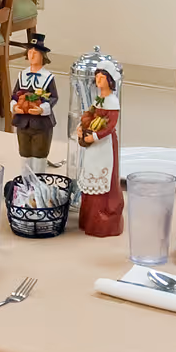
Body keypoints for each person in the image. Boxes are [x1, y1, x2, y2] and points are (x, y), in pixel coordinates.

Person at [74, 58, 123, 237]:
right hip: (92, 147)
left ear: (109, 80)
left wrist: (94, 136)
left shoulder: (112, 101)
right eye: (97, 77)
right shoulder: (99, 99)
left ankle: (103, 216)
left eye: (102, 77)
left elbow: (110, 126)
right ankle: (88, 217)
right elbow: (89, 113)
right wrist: (81, 126)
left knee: (102, 176)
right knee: (90, 171)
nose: (98, 80)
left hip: (104, 147)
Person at [10, 34, 58, 172]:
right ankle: (25, 182)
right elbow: (15, 94)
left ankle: (38, 182)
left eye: (35, 53)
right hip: (23, 122)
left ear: (42, 56)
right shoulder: (22, 75)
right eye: (29, 52)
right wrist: (15, 106)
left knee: (39, 154)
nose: (31, 55)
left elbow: (54, 97)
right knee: (25, 153)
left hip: (41, 124)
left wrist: (42, 109)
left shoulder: (47, 77)